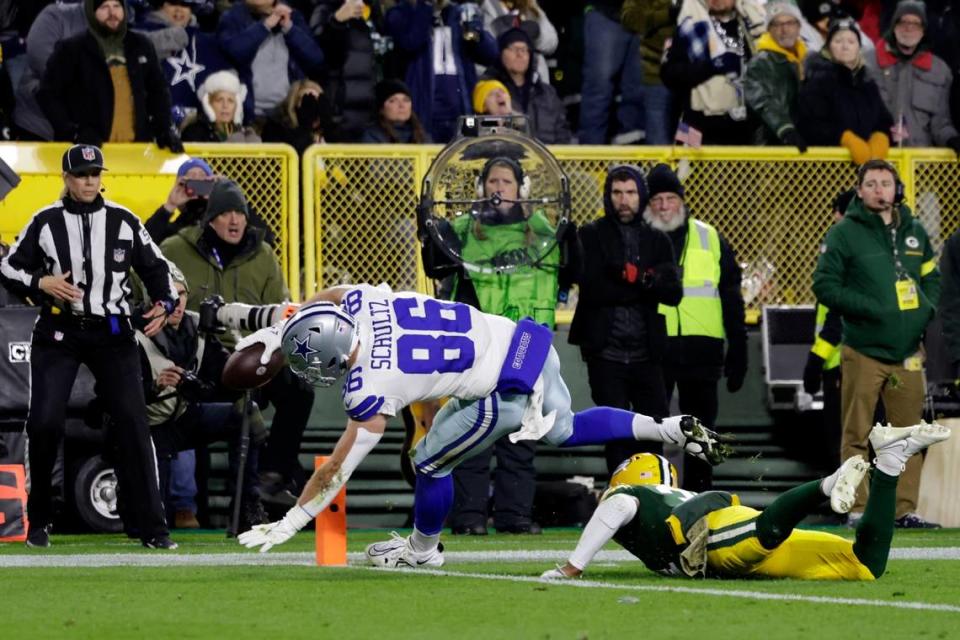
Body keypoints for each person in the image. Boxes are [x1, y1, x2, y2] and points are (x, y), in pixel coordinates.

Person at [234, 284, 728, 562]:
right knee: (564, 428)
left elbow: (336, 470)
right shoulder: (363, 303)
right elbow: (333, 295)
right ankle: (664, 429)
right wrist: (280, 325)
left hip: (501, 390)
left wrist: (293, 520)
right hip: (525, 342)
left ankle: (423, 551)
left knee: (428, 463)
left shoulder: (368, 386)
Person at [0, 144, 178, 549]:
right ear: (66, 179)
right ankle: (40, 518)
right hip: (59, 332)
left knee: (134, 422)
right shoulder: (45, 221)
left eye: (95, 174)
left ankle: (152, 527)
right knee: (44, 422)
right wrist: (40, 283)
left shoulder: (124, 220)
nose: (89, 181)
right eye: (81, 175)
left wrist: (164, 304)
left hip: (112, 332)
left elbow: (157, 269)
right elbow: (9, 265)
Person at [542, 421, 951, 581]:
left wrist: (571, 567)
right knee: (865, 566)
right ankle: (892, 461)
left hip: (712, 532)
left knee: (761, 535)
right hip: (728, 522)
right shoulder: (666, 495)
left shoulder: (627, 495)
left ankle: (826, 486)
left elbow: (616, 507)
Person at [418, 155, 579, 535]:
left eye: (506, 182)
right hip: (478, 348)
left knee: (521, 437)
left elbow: (572, 273)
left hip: (526, 347)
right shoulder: (459, 230)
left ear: (521, 190)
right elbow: (435, 268)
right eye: (492, 182)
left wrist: (572, 236)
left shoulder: (548, 232)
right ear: (481, 189)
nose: (498, 189)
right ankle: (470, 518)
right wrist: (429, 229)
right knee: (469, 433)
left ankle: (514, 517)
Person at [159, 180, 315, 507]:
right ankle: (241, 500)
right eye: (226, 213)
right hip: (201, 358)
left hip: (254, 353)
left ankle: (272, 476)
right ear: (210, 219)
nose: (234, 220)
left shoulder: (264, 255)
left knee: (299, 390)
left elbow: (279, 315)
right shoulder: (176, 248)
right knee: (241, 404)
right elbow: (145, 280)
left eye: (240, 213)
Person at [812, 159, 941, 529]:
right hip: (864, 350)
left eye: (885, 182)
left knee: (910, 434)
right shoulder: (844, 234)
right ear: (860, 190)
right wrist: (870, 310)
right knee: (857, 432)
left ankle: (904, 510)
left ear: (896, 188)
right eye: (871, 183)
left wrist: (925, 310)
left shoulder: (914, 230)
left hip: (907, 353)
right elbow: (824, 285)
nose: (879, 189)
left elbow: (932, 276)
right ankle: (856, 507)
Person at [135, 271, 268, 535]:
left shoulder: (199, 325)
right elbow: (113, 397)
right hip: (148, 427)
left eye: (181, 293)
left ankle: (246, 509)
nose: (177, 301)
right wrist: (154, 386)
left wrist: (247, 370)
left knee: (244, 415)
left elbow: (225, 383)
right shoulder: (133, 331)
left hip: (184, 418)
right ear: (153, 299)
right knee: (150, 524)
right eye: (169, 294)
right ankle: (131, 496)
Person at [569, 164, 682, 474]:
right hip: (605, 352)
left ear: (640, 195)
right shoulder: (590, 234)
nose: (624, 200)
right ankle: (621, 498)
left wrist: (629, 276)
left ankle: (653, 495)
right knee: (615, 433)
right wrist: (645, 283)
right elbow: (592, 288)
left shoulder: (658, 240)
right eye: (617, 192)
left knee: (654, 429)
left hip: (648, 353)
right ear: (608, 195)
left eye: (630, 192)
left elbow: (674, 292)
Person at [643, 164, 746, 492]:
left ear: (682, 202)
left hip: (703, 349)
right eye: (656, 199)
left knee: (703, 432)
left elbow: (731, 296)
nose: (663, 206)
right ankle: (655, 493)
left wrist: (739, 346)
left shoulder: (710, 237)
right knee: (652, 427)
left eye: (670, 198)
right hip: (655, 347)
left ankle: (702, 499)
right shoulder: (640, 239)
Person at [36, 0, 183, 151]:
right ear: (91, 13)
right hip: (86, 157)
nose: (112, 13)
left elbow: (158, 92)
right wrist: (73, 132)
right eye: (104, 7)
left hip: (136, 153)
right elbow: (47, 94)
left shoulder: (142, 45)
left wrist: (163, 129)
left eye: (117, 6)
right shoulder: (71, 49)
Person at [384, 0, 499, 142]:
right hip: (423, 113)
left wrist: (477, 31)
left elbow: (491, 55)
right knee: (426, 161)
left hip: (463, 111)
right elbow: (410, 42)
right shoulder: (401, 12)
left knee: (466, 159)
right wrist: (426, 7)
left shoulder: (459, 13)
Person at [660, 0, 766, 145]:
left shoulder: (752, 27)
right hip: (695, 125)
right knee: (687, 166)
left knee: (741, 165)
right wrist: (712, 66)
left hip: (742, 128)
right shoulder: (690, 26)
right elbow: (669, 75)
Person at [802, 188, 855, 472]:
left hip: (841, 363)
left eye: (839, 210)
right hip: (845, 361)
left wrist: (816, 359)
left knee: (842, 438)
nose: (834, 216)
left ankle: (849, 507)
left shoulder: (845, 250)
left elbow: (835, 318)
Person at [865, 0, 960, 154]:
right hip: (877, 161)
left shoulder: (939, 71)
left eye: (916, 24)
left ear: (923, 30)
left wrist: (952, 139)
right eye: (903, 22)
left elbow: (941, 124)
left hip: (920, 167)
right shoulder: (867, 63)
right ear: (894, 26)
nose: (909, 28)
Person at [797, 18, 893, 164]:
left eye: (851, 41)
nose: (845, 46)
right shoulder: (817, 81)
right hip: (826, 170)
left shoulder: (868, 84)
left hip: (866, 172)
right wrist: (844, 138)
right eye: (838, 41)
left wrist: (881, 136)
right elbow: (809, 125)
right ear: (828, 47)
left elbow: (884, 120)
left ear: (858, 48)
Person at [216, 0, 326, 122]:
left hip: (288, 113)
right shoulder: (232, 17)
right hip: (248, 114)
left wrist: (289, 28)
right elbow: (234, 52)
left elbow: (315, 59)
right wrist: (265, 26)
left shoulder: (293, 17)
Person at [135, 0, 230, 129]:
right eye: (174, 3)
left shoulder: (207, 42)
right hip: (149, 122)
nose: (179, 10)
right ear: (161, 6)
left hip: (197, 127)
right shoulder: (140, 32)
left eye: (185, 5)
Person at [478, 27, 571, 143]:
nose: (520, 54)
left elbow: (563, 133)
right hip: (505, 157)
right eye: (514, 49)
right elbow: (475, 128)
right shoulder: (489, 90)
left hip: (547, 158)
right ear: (501, 53)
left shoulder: (547, 93)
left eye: (524, 49)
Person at [311, 0, 386, 142]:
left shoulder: (375, 13)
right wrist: (336, 21)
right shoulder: (325, 9)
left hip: (371, 113)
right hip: (339, 112)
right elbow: (317, 56)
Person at [11, 1, 85, 141]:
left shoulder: (121, 26)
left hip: (96, 132)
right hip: (41, 128)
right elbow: (44, 64)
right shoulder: (55, 17)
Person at [577, 1, 645, 144]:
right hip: (606, 13)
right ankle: (590, 160)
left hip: (644, 17)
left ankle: (630, 161)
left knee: (638, 94)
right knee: (598, 92)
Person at [744, 1, 809, 149]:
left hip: (805, 145)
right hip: (772, 146)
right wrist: (785, 128)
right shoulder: (760, 63)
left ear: (799, 27)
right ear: (769, 30)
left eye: (790, 23)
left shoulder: (809, 60)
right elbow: (762, 101)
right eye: (776, 24)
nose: (784, 29)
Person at [620, 0, 676, 145]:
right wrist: (668, 14)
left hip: (696, 80)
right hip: (657, 74)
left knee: (691, 145)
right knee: (658, 142)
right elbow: (630, 18)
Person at [479, 0, 558, 85]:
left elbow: (552, 42)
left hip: (537, 84)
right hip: (502, 86)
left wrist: (538, 35)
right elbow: (483, 53)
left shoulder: (529, 6)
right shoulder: (487, 6)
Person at [145, 157, 217, 244]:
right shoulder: (175, 229)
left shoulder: (218, 220)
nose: (197, 179)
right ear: (181, 184)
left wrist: (218, 198)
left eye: (202, 175)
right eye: (191, 176)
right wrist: (170, 206)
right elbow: (144, 243)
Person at [180, 69, 262, 143]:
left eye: (230, 101)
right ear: (209, 104)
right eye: (219, 100)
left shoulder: (244, 135)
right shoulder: (194, 133)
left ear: (237, 107)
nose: (225, 106)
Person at [260, 79, 336, 154]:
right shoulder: (275, 128)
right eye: (306, 101)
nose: (313, 106)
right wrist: (306, 127)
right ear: (294, 104)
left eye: (317, 100)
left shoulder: (328, 130)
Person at [360, 78, 431, 143]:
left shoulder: (422, 136)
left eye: (406, 100)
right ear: (381, 109)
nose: (402, 105)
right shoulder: (372, 136)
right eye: (393, 101)